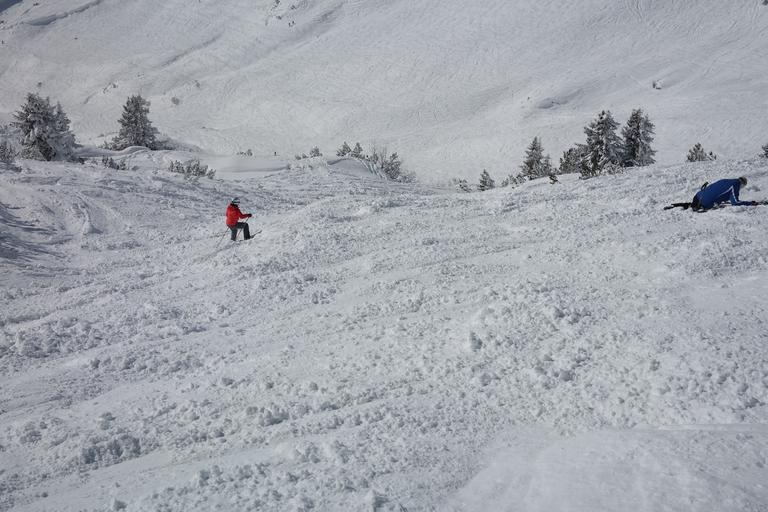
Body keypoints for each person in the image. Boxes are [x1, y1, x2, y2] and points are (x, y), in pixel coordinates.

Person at [665, 177, 759, 211]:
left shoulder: (726, 180)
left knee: (692, 205)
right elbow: (735, 203)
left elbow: (716, 191)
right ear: (742, 184)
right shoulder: (735, 186)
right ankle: (685, 207)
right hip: (704, 204)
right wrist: (750, 203)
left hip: (698, 196)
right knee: (696, 206)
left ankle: (674, 206)